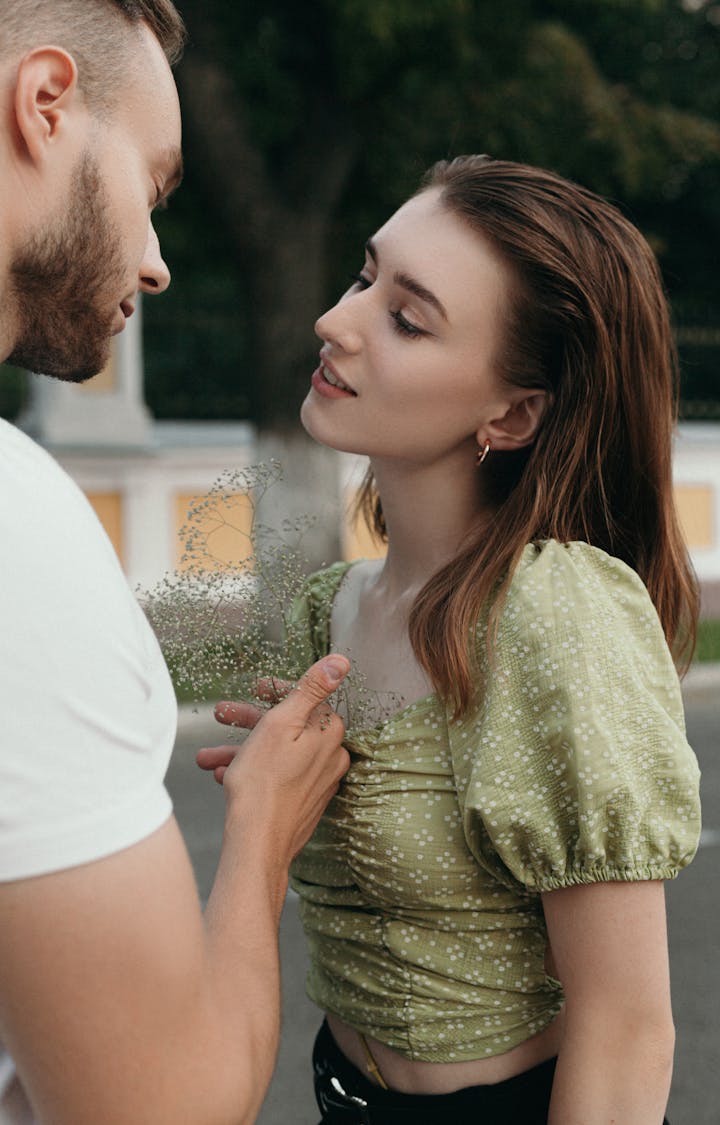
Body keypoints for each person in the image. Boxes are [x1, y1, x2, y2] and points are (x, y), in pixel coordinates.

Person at [208, 155, 702, 1123]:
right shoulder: (328, 608)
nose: (333, 320)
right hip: (340, 1093)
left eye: (406, 316)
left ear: (512, 413)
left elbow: (630, 1026)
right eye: (363, 276)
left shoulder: (551, 614)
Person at [0, 3, 350, 1124]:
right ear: (43, 104)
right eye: (152, 190)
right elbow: (165, 1110)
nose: (154, 265)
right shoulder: (15, 529)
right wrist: (263, 842)